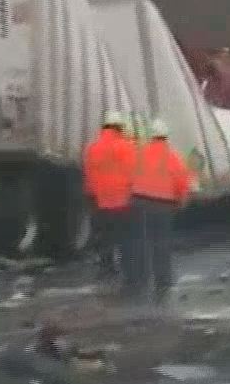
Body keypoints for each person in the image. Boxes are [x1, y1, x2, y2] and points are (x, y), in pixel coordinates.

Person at [129, 119, 194, 304]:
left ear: (151, 135)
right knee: (161, 242)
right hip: (163, 204)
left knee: (141, 240)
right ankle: (163, 280)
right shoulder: (173, 156)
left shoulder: (140, 153)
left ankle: (140, 277)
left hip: (140, 201)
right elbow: (182, 181)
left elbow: (130, 174)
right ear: (166, 136)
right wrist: (181, 201)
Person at [82, 112, 140, 288]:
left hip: (101, 200)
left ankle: (106, 267)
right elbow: (134, 172)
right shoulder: (127, 146)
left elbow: (90, 174)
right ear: (120, 127)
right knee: (125, 236)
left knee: (105, 236)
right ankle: (128, 269)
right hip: (123, 200)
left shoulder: (92, 148)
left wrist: (92, 194)